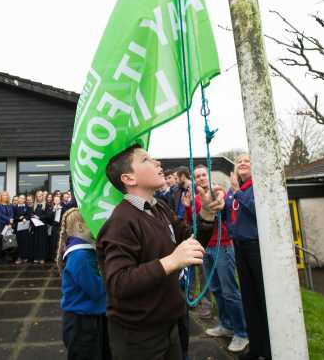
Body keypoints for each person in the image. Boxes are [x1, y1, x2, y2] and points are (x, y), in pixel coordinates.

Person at [96, 144, 220, 360]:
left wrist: (207, 214)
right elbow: (118, 283)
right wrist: (172, 261)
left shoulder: (159, 207)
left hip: (170, 323)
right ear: (129, 179)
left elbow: (192, 243)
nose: (158, 163)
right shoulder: (120, 222)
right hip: (139, 336)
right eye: (145, 160)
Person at [193, 165, 249, 353]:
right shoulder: (196, 198)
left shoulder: (218, 193)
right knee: (216, 288)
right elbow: (195, 222)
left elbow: (222, 211)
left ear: (208, 176)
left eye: (203, 175)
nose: (201, 178)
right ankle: (226, 325)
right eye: (197, 176)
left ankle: (241, 333)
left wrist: (219, 202)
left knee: (230, 291)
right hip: (206, 247)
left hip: (222, 245)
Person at [225, 154, 271, 360]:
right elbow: (229, 215)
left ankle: (270, 351)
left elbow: (257, 211)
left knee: (262, 299)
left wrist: (236, 192)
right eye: (238, 161)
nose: (241, 163)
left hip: (255, 247)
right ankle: (257, 349)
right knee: (249, 300)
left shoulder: (257, 187)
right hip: (240, 247)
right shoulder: (236, 190)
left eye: (246, 160)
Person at [57, 208, 110, 360]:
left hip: (89, 318)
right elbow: (97, 290)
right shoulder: (80, 256)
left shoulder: (84, 253)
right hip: (82, 323)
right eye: (92, 223)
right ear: (80, 227)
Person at [30, 190, 51, 264]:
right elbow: (31, 214)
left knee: (42, 242)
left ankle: (42, 258)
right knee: (36, 242)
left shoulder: (47, 205)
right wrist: (33, 217)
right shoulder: (34, 205)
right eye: (38, 196)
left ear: (43, 196)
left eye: (41, 195)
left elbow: (48, 216)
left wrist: (39, 217)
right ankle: (36, 257)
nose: (39, 197)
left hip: (42, 227)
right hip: (35, 227)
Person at [14, 194, 31, 264]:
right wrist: (19, 218)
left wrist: (25, 218)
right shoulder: (14, 207)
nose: (21, 199)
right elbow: (13, 216)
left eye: (23, 198)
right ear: (18, 199)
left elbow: (29, 215)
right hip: (17, 228)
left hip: (25, 228)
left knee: (25, 242)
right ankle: (19, 257)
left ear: (24, 200)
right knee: (18, 243)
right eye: (20, 198)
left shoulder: (27, 207)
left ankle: (25, 257)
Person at [48, 194, 65, 262]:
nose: (56, 201)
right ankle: (54, 256)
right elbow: (49, 218)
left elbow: (64, 217)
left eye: (58, 200)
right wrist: (54, 210)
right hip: (54, 227)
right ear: (54, 201)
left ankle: (61, 256)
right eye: (55, 200)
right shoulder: (51, 208)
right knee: (54, 242)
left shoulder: (63, 208)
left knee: (60, 242)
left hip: (60, 227)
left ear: (60, 201)